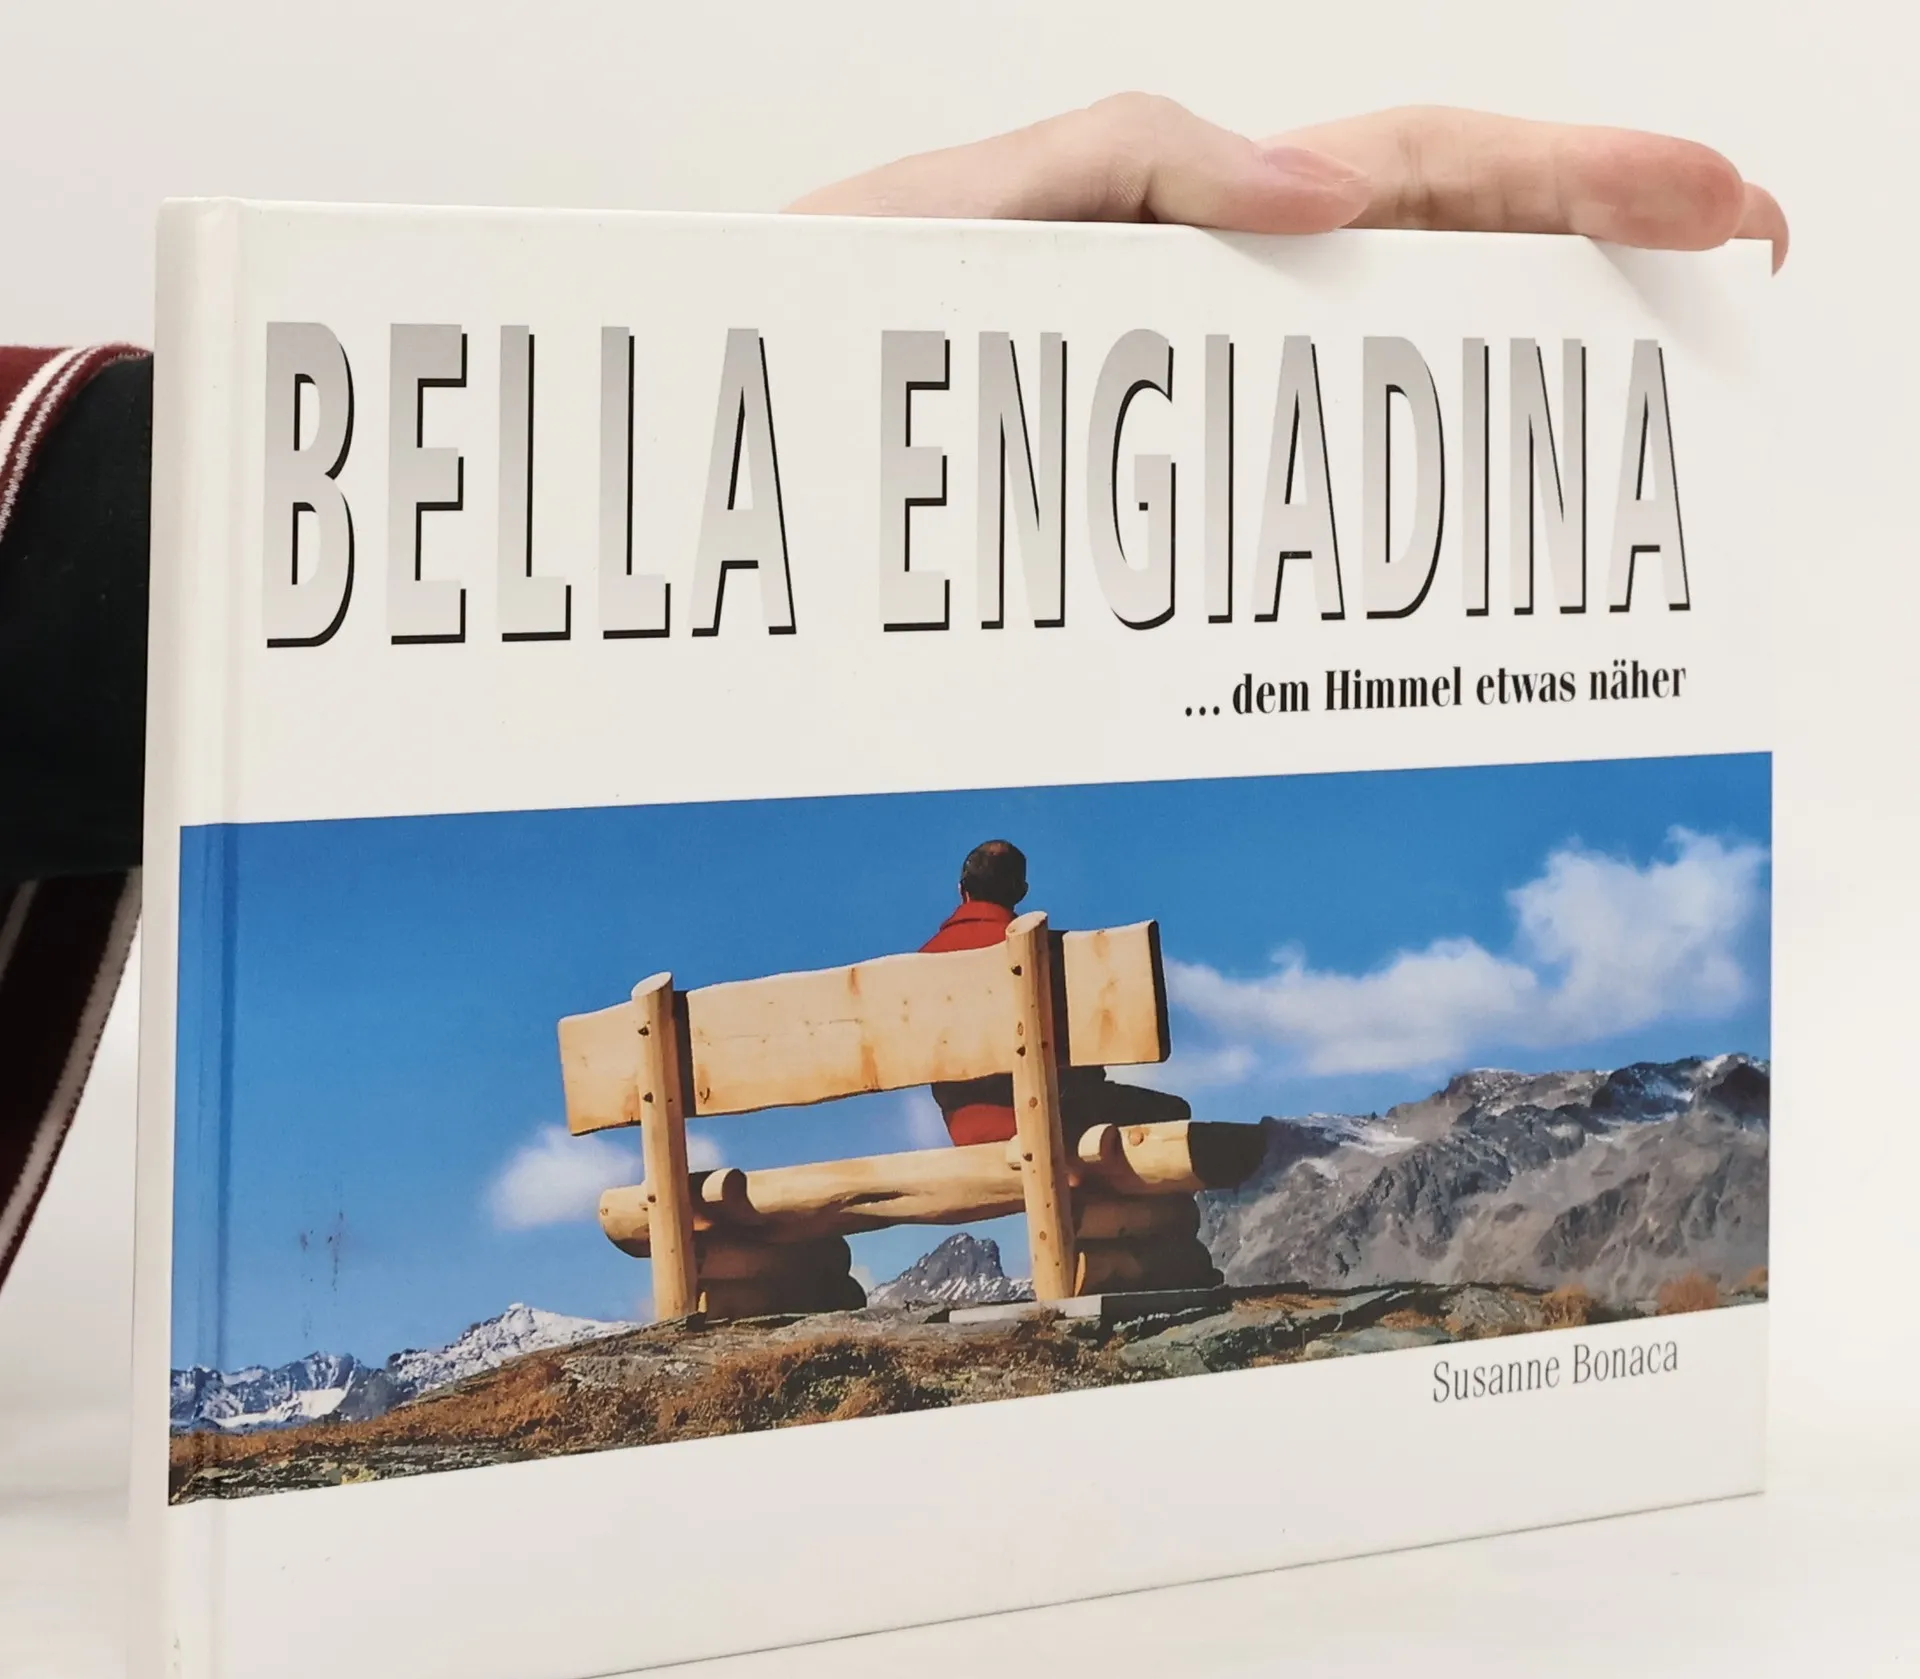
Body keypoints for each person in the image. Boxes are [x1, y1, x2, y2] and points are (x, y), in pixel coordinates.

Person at [0, 99, 1790, 1286]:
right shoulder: (1012, 961)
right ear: (1022, 888)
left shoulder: (938, 958)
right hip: (1032, 1147)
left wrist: (643, 432)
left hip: (765, 1164)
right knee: (1189, 1136)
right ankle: (1142, 1302)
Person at [919, 839, 1190, 1147]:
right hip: (1055, 1119)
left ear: (962, 890)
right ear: (1021, 892)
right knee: (1172, 1112)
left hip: (967, 1129)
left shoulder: (921, 964)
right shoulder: (1054, 953)